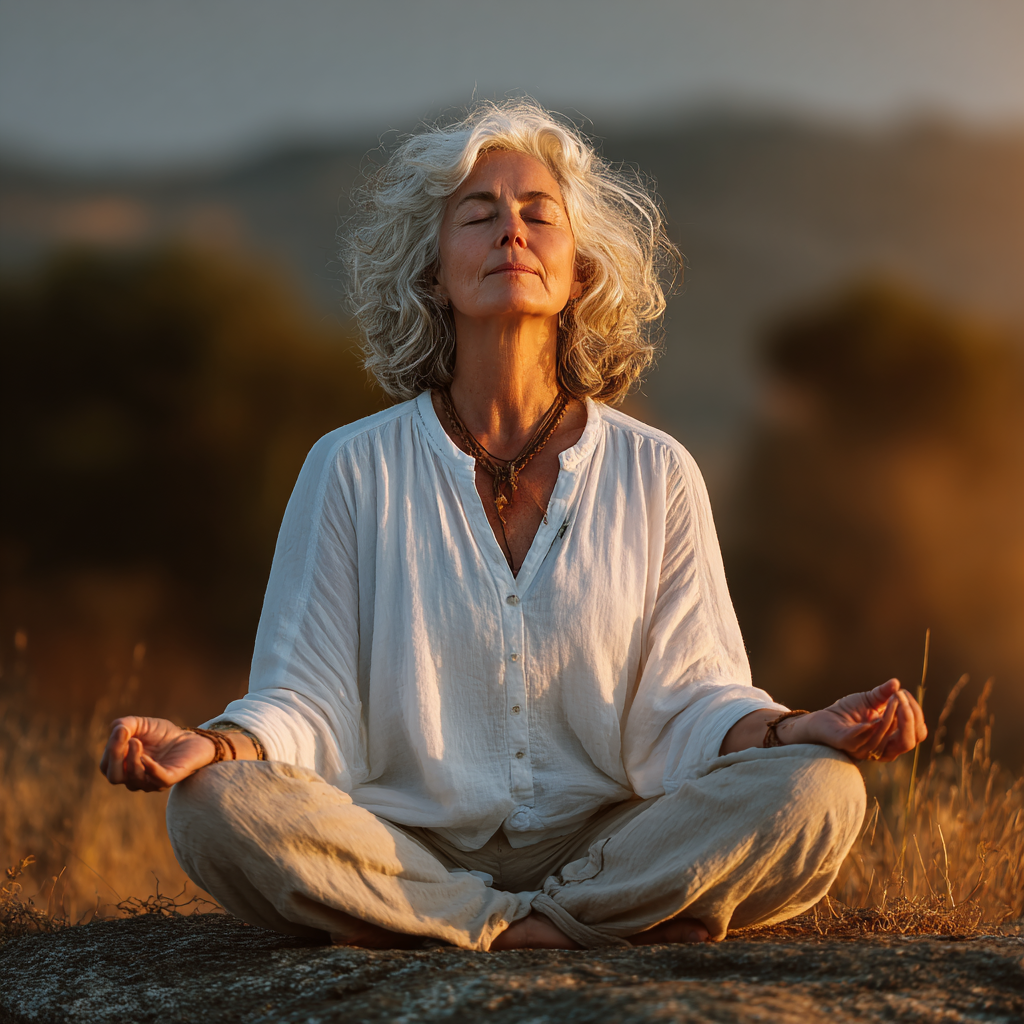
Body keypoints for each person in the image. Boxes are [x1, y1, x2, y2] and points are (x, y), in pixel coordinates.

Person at [100, 100, 926, 952]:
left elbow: (694, 702)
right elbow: (305, 700)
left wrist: (799, 729)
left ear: (581, 269)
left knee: (824, 791)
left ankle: (479, 923)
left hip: (610, 843)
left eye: (539, 215)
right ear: (432, 268)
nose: (512, 234)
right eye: (478, 215)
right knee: (208, 810)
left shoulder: (657, 471)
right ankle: (541, 926)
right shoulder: (351, 467)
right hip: (401, 845)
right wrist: (214, 746)